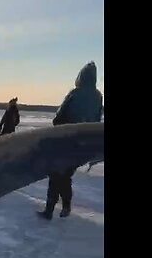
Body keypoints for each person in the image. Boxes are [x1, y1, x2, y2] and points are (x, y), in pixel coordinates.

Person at [39, 61, 104, 220]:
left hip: (66, 142)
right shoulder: (98, 96)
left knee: (56, 175)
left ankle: (50, 210)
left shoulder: (75, 93)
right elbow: (96, 120)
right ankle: (66, 205)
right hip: (83, 146)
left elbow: (58, 118)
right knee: (65, 176)